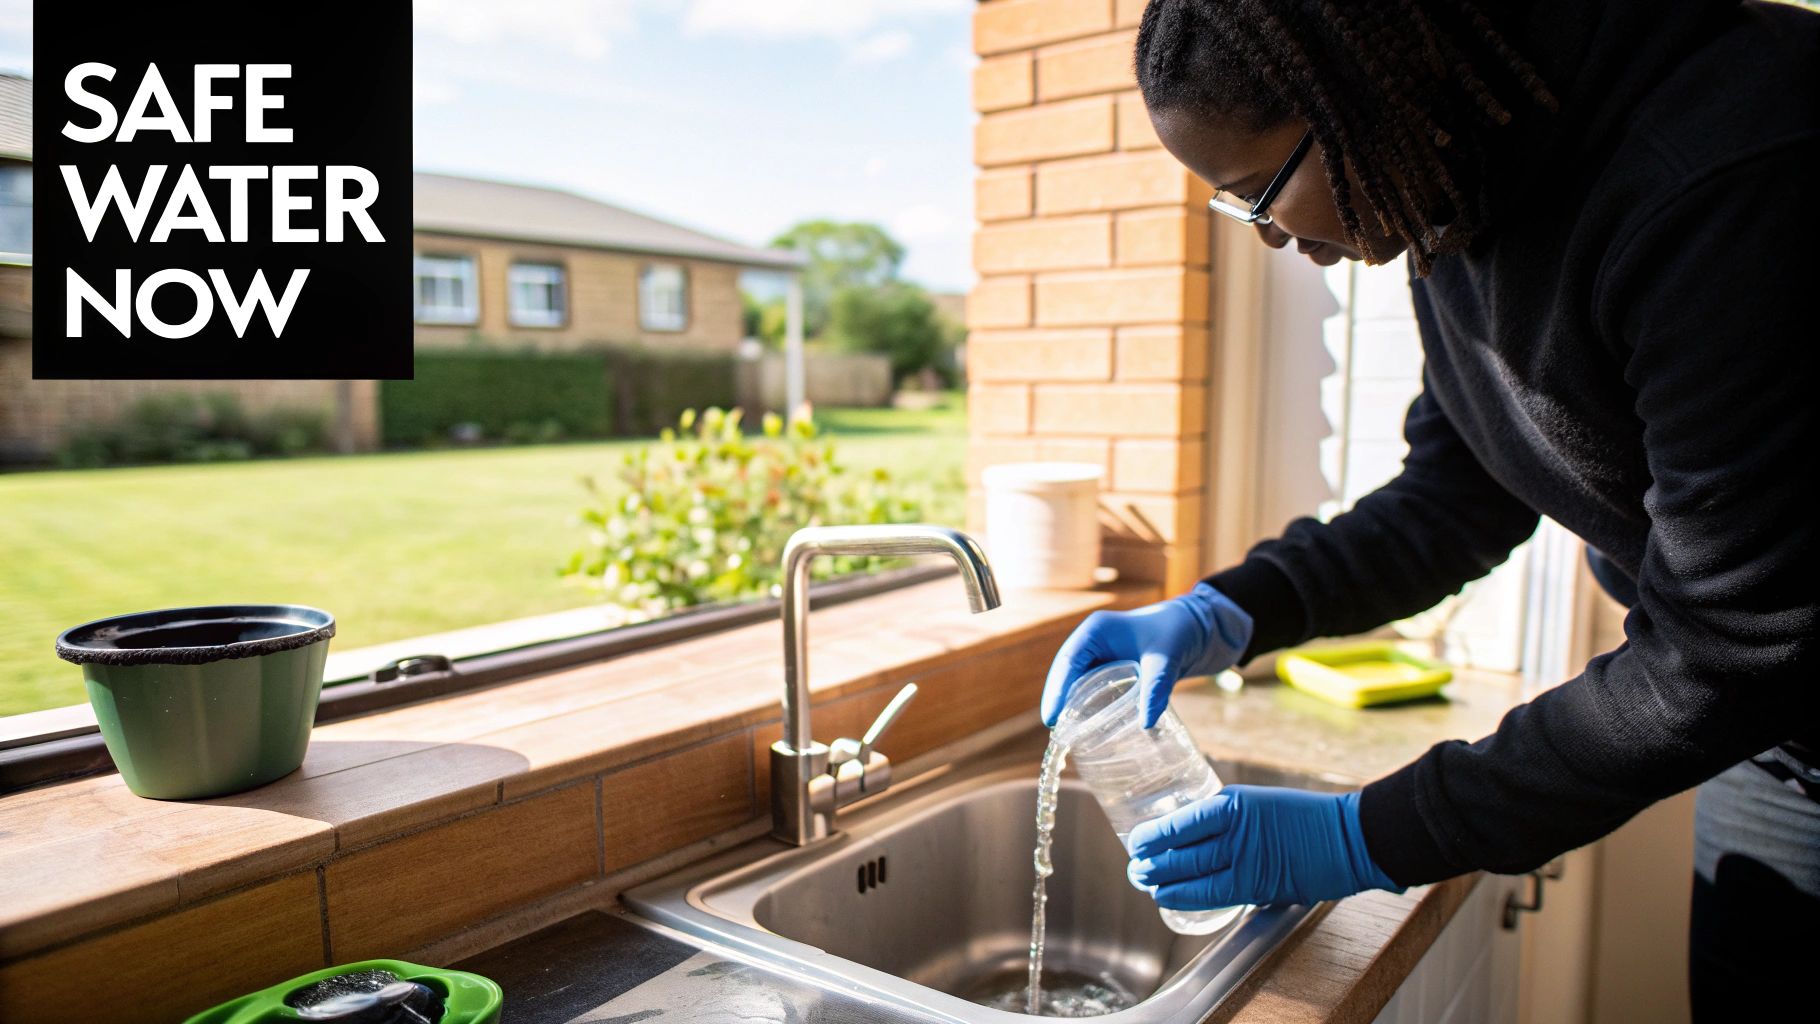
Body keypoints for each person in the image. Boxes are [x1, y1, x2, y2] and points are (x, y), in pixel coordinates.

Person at [1038, 1, 1817, 1016]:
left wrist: (1364, 834)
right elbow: (1457, 491)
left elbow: (1730, 644)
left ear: (1353, 96)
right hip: (1775, 736)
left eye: (1254, 193)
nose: (1270, 236)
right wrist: (1224, 613)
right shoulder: (1445, 190)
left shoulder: (1736, 171)